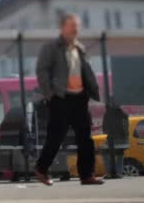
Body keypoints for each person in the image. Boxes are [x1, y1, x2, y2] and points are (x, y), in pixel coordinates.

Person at [34, 14, 104, 186]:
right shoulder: (51, 47)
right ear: (62, 27)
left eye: (77, 26)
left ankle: (87, 175)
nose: (75, 29)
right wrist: (50, 95)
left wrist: (90, 91)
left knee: (85, 138)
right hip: (61, 98)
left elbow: (84, 71)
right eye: (72, 25)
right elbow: (42, 71)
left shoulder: (79, 48)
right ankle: (41, 170)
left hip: (80, 98)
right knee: (56, 137)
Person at [102, 101, 129, 179]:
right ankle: (118, 172)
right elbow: (126, 126)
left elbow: (104, 128)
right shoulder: (122, 114)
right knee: (119, 154)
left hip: (112, 138)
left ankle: (110, 172)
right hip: (121, 138)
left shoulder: (108, 114)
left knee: (106, 153)